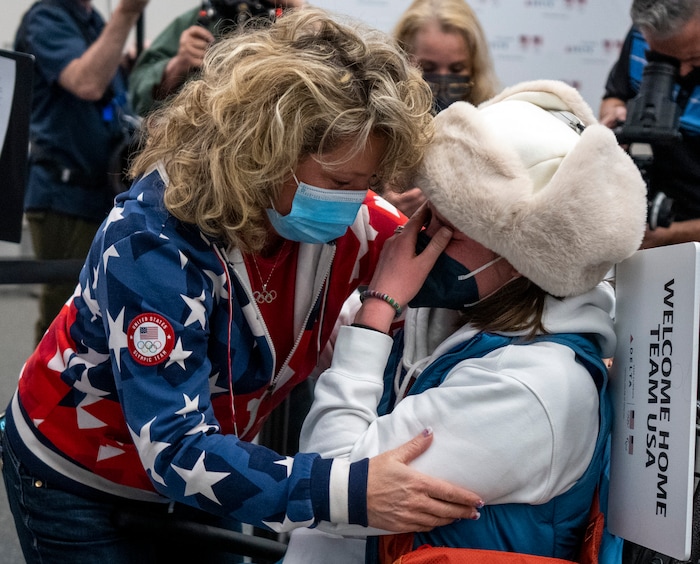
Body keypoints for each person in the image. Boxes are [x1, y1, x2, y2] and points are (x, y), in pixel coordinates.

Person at [0, 8, 484, 564]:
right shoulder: (151, 241)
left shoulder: (347, 217)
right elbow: (177, 449)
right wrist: (348, 492)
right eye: (341, 182)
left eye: (369, 182)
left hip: (220, 469)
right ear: (266, 152)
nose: (358, 201)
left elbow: (472, 279)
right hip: (83, 478)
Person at [285, 80, 647, 563]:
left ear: (525, 257)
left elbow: (331, 487)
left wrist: (378, 309)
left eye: (450, 224)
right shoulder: (465, 315)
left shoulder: (535, 390)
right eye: (429, 208)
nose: (420, 232)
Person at [13, 0, 148, 345]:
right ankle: (41, 397)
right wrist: (127, 14)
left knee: (95, 318)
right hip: (64, 196)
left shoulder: (90, 21)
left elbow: (106, 96)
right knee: (64, 320)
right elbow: (86, 82)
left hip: (99, 192)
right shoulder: (46, 17)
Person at [382, 0, 499, 216]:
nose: (444, 81)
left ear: (474, 68)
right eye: (428, 68)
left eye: (456, 68)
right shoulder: (379, 132)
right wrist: (383, 209)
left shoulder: (495, 130)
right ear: (402, 61)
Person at [599, 0, 700, 249]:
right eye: (661, 58)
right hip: (639, 215)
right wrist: (615, 115)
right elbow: (615, 94)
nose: (682, 73)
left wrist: (670, 236)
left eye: (694, 57)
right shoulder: (646, 30)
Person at [128, 0, 304, 117]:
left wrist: (297, 15)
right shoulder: (199, 21)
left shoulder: (294, 19)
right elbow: (138, 92)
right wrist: (178, 65)